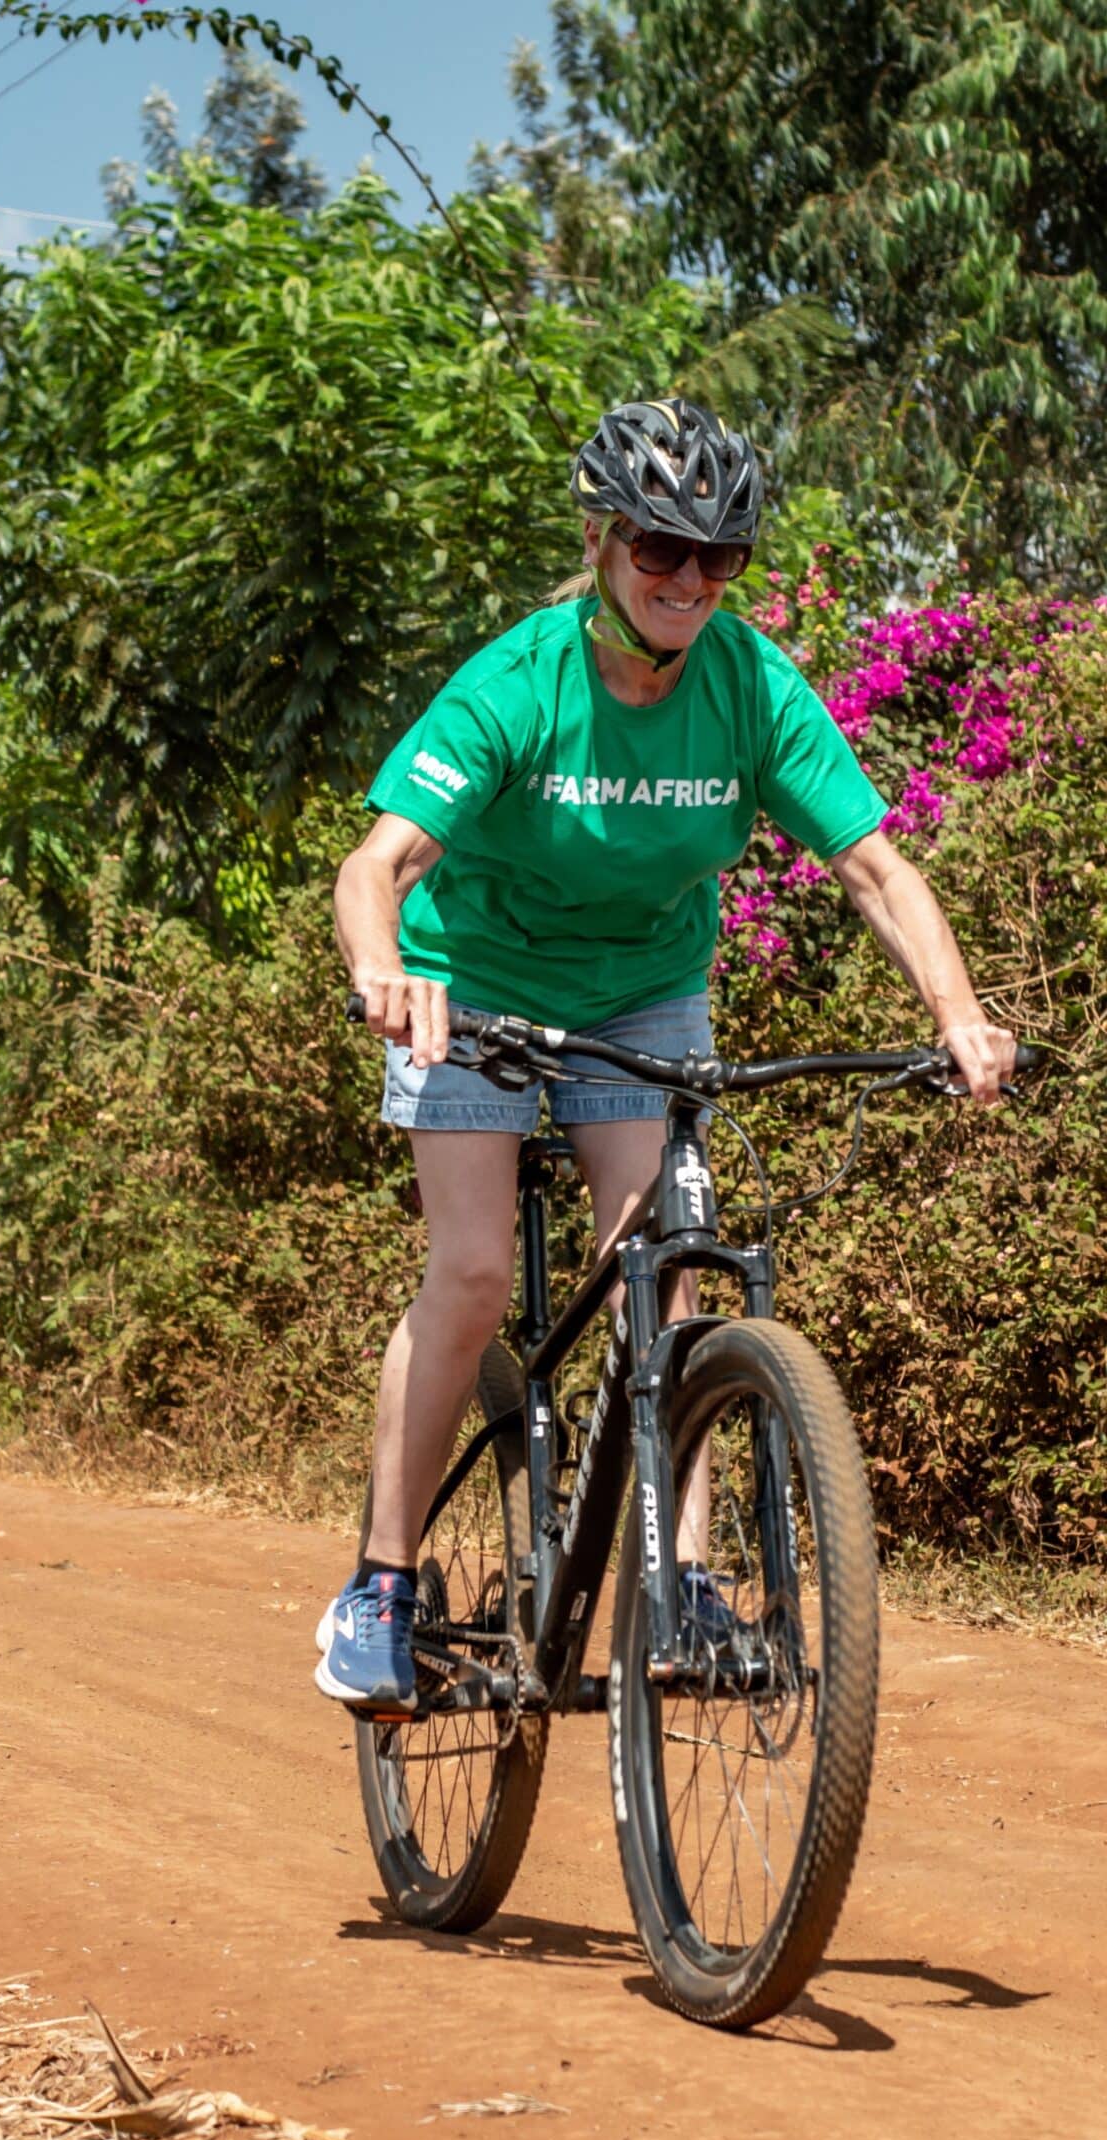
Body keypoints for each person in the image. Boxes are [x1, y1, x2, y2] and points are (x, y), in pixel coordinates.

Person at [319, 396, 1018, 1712]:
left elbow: (872, 866)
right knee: (470, 1277)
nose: (690, 581)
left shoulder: (753, 686)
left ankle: (680, 1585)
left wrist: (957, 1014)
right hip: (469, 991)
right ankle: (382, 1583)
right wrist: (382, 971)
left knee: (666, 1275)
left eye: (720, 558)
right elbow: (382, 863)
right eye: (660, 549)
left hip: (642, 1003)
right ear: (602, 540)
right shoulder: (522, 684)